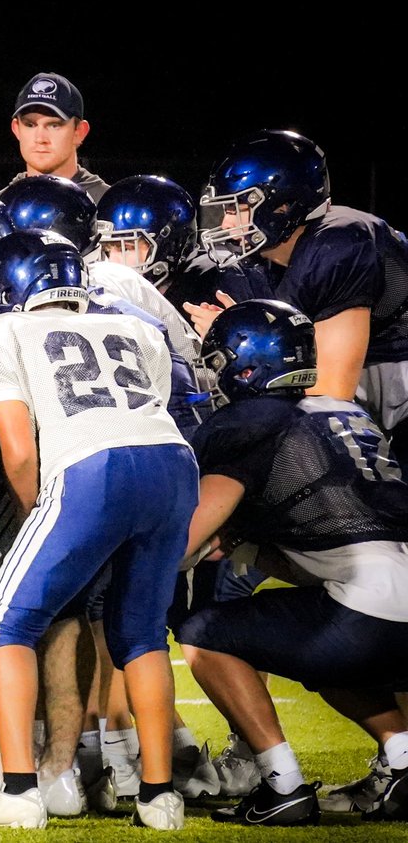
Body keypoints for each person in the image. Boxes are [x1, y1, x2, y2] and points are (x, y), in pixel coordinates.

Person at [0, 229, 197, 830]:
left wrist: (42, 510)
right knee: (140, 633)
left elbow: (16, 445)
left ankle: (16, 792)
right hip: (174, 466)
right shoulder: (137, 327)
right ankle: (160, 797)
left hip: (90, 471)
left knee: (5, 624)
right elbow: (148, 412)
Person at [178, 298, 408, 825]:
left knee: (203, 633)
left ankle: (282, 786)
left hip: (369, 612)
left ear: (246, 366)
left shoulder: (250, 420)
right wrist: (256, 544)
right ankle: (402, 758)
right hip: (387, 598)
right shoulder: (347, 411)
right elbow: (337, 531)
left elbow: (185, 541)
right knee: (308, 633)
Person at [191, 129, 408, 450]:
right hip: (376, 394)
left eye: (238, 209)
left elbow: (330, 399)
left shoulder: (340, 242)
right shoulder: (262, 260)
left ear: (284, 205)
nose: (226, 225)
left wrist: (242, 343)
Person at [0, 72, 109, 203]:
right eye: (30, 125)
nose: (40, 138)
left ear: (79, 131)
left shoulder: (111, 206)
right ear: (16, 129)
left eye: (54, 125)